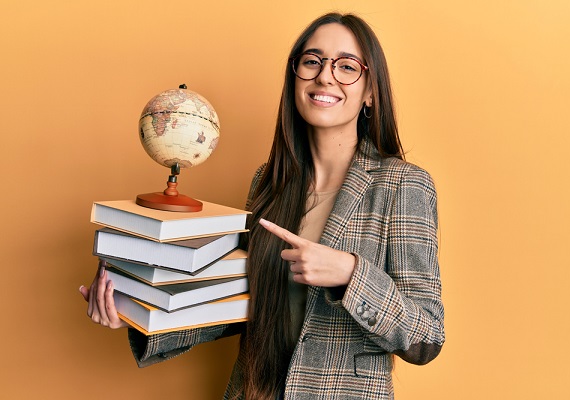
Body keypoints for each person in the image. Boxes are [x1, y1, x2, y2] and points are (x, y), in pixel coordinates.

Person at [80, 12, 445, 399]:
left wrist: (351, 273)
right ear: (295, 78)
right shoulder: (268, 182)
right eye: (312, 61)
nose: (325, 76)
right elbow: (238, 303)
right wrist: (137, 312)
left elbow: (426, 336)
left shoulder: (403, 185)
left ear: (370, 91)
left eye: (346, 66)